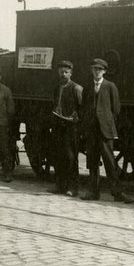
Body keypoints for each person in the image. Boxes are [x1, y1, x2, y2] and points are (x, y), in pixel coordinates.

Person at [82, 58, 132, 203]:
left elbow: (116, 109)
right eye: (94, 69)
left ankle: (117, 193)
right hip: (92, 129)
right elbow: (84, 106)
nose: (96, 72)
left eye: (99, 69)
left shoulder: (110, 86)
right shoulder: (87, 86)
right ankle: (93, 192)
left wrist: (108, 124)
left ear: (104, 71)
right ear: (92, 70)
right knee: (92, 161)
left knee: (110, 162)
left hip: (105, 131)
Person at [49, 60, 84, 195]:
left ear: (71, 73)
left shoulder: (76, 88)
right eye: (61, 72)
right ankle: (59, 185)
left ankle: (73, 188)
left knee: (70, 157)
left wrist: (77, 120)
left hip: (71, 127)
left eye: (66, 72)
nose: (63, 74)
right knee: (58, 156)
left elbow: (82, 108)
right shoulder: (57, 87)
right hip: (58, 126)